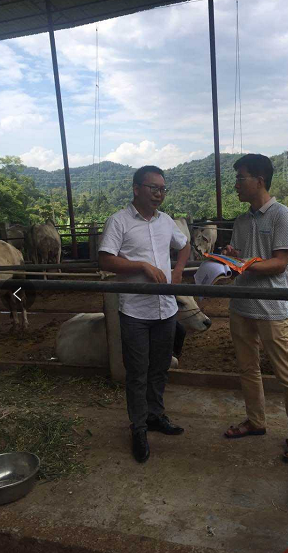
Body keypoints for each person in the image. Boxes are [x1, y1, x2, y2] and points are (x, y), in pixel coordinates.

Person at [98, 165, 191, 464]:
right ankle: (138, 427)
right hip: (136, 311)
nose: (159, 194)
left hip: (166, 308)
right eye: (153, 188)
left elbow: (185, 245)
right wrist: (141, 266)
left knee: (160, 368)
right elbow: (105, 259)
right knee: (137, 373)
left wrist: (178, 270)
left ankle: (155, 415)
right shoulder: (119, 221)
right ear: (136, 188)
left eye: (162, 189)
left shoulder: (166, 221)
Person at [223, 154, 288, 463]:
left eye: (240, 178)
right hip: (241, 304)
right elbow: (240, 261)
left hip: (271, 307)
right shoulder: (241, 221)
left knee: (286, 372)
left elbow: (279, 263)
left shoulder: (282, 216)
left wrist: (246, 263)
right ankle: (256, 421)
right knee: (248, 368)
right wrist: (230, 257)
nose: (236, 185)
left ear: (259, 181)